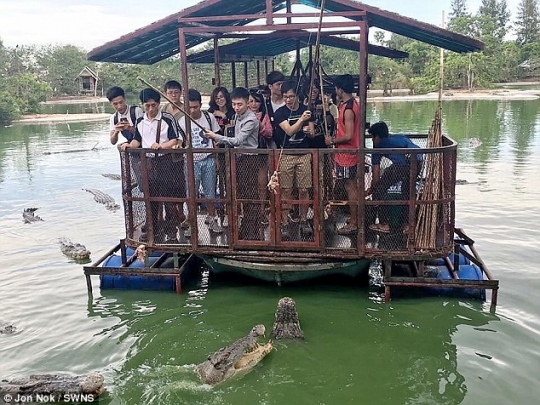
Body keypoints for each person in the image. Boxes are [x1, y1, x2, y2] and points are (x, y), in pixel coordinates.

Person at [120, 88, 181, 242]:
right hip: (148, 163)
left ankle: (172, 232)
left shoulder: (167, 119)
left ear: (159, 104)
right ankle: (154, 230)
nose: (150, 109)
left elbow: (175, 139)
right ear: (143, 105)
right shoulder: (140, 121)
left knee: (168, 198)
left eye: (153, 105)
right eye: (147, 106)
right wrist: (129, 145)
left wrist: (162, 146)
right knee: (150, 198)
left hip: (165, 161)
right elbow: (137, 140)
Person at [204, 87, 261, 240]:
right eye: (234, 104)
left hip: (249, 159)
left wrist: (216, 136)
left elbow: (238, 141)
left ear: (247, 102)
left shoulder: (250, 119)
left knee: (250, 196)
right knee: (242, 193)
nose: (236, 108)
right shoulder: (238, 116)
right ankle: (248, 228)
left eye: (239, 104)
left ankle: (252, 230)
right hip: (239, 158)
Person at [274, 80, 315, 239]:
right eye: (285, 97)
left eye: (291, 96)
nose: (288, 100)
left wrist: (308, 130)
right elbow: (289, 131)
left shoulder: (306, 110)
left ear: (298, 96)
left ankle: (304, 220)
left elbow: (311, 133)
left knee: (304, 189)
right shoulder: (280, 113)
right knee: (285, 190)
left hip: (304, 154)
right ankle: (284, 222)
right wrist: (301, 120)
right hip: (286, 155)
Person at [366, 121, 423, 234]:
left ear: (377, 137)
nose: (372, 141)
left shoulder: (377, 147)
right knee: (407, 192)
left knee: (379, 189)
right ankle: (408, 225)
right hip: (418, 161)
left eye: (372, 138)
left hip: (404, 165)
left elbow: (376, 176)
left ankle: (384, 224)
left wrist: (372, 189)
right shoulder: (398, 137)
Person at [179, 89, 223, 235]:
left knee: (210, 191)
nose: (192, 110)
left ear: (200, 104)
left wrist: (216, 159)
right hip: (190, 162)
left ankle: (212, 219)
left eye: (195, 107)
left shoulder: (209, 117)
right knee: (191, 193)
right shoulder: (182, 121)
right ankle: (192, 222)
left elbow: (216, 140)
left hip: (208, 158)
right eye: (189, 107)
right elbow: (180, 141)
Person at [324, 74, 361, 235]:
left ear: (340, 89)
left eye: (336, 88)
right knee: (350, 186)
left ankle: (354, 221)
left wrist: (332, 140)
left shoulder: (348, 109)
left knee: (350, 187)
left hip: (348, 154)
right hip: (347, 152)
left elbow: (348, 135)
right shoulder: (350, 104)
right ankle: (355, 218)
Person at [208, 86, 235, 227]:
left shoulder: (232, 112)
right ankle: (220, 213)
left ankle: (233, 213)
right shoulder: (209, 114)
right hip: (216, 152)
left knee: (231, 182)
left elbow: (232, 131)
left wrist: (224, 117)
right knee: (219, 183)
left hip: (230, 150)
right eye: (216, 97)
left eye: (222, 97)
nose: (219, 100)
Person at [249, 89, 274, 225]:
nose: (253, 104)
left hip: (260, 151)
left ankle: (262, 210)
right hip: (246, 153)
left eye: (256, 101)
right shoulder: (240, 114)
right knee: (248, 183)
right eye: (251, 101)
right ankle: (249, 211)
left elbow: (269, 133)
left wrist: (259, 126)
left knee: (262, 183)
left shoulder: (264, 115)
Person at [264, 70, 285, 147]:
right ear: (270, 86)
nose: (281, 87)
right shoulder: (265, 104)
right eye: (278, 84)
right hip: (271, 142)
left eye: (282, 84)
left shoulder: (289, 102)